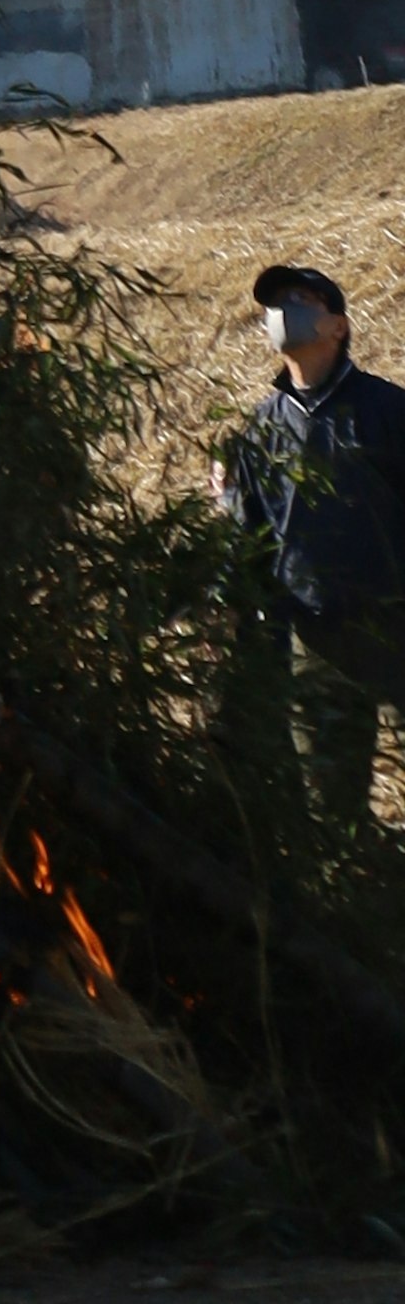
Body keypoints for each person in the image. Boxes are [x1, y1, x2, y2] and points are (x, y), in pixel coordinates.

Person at [218, 260, 405, 868]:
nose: (281, 313)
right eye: (274, 305)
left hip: (395, 624)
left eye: (299, 300)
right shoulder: (260, 429)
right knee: (332, 805)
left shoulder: (387, 410)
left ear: (337, 326)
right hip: (317, 638)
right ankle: (361, 899)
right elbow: (250, 535)